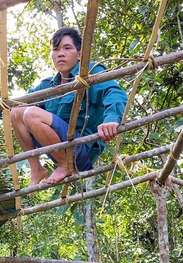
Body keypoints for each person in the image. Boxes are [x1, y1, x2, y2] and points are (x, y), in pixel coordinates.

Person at [11, 27, 127, 186]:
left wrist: (112, 119)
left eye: (67, 48)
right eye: (56, 49)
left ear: (79, 54)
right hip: (54, 147)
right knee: (16, 111)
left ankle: (65, 165)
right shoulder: (48, 85)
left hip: (81, 149)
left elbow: (114, 92)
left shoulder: (90, 72)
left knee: (31, 114)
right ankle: (36, 168)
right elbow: (15, 104)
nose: (60, 53)